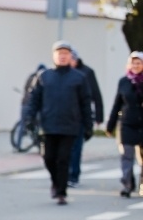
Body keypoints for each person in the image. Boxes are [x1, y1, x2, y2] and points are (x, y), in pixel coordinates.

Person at [23, 41, 92, 205]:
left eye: (65, 54)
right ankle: (56, 181)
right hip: (49, 125)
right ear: (54, 56)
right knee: (48, 158)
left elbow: (85, 103)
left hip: (70, 126)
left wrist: (88, 125)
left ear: (70, 56)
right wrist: (29, 119)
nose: (62, 56)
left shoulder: (79, 78)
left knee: (63, 159)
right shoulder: (44, 76)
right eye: (59, 53)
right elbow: (34, 100)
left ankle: (61, 192)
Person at [105, 51, 143, 197]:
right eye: (133, 63)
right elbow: (117, 104)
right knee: (127, 156)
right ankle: (127, 184)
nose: (135, 66)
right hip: (127, 123)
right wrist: (110, 125)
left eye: (138, 63)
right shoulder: (124, 81)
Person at [68, 49, 104, 187]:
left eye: (72, 58)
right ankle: (64, 175)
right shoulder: (60, 73)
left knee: (76, 148)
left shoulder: (86, 73)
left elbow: (96, 94)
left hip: (80, 117)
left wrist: (99, 116)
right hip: (64, 117)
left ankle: (74, 175)